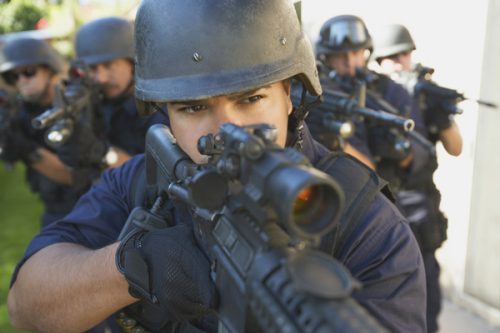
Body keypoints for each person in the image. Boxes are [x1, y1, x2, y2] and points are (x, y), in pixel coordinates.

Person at [7, 1, 426, 332]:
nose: (226, 129)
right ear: (164, 113)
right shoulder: (142, 184)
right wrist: (133, 266)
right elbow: (25, 306)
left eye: (250, 99)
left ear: (289, 94)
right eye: (193, 107)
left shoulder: (362, 220)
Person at [372, 23, 463, 333]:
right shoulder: (369, 97)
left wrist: (438, 114)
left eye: (404, 55)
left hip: (421, 211)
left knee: (427, 304)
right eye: (392, 57)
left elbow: (455, 147)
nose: (400, 62)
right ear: (379, 62)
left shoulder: (424, 94)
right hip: (380, 210)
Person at [315, 15, 429, 193]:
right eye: (340, 55)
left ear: (365, 53)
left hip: (389, 196)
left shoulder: (389, 91)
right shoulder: (319, 94)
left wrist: (403, 152)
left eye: (355, 53)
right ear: (327, 58)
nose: (349, 62)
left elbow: (423, 149)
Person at [0, 37, 81, 227]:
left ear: (50, 69)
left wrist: (27, 151)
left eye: (29, 72)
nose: (22, 81)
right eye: (14, 76)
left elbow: (74, 176)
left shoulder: (77, 105)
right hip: (54, 207)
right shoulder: (23, 112)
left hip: (90, 204)